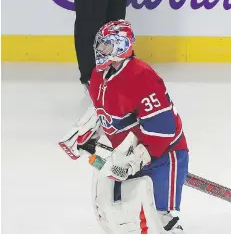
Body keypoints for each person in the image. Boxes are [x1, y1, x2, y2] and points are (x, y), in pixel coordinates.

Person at [59, 20, 189, 233]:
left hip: (165, 153)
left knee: (156, 217)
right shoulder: (98, 75)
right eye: (100, 46)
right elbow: (104, 110)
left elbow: (163, 128)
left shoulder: (142, 77)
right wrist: (87, 132)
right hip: (127, 153)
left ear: (121, 46)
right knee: (121, 213)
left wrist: (137, 159)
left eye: (107, 46)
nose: (101, 51)